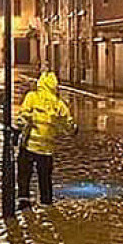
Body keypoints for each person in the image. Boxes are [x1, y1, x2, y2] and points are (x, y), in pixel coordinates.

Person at [14, 70, 76, 207]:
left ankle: (24, 201)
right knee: (45, 178)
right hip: (47, 149)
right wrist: (73, 130)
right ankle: (46, 203)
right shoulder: (59, 104)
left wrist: (16, 130)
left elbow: (23, 117)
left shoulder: (32, 97)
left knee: (24, 175)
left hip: (29, 145)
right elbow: (68, 126)